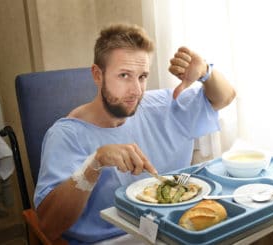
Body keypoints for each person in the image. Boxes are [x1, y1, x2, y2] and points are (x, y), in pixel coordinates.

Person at [34, 23, 236, 244]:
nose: (137, 91)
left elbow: (224, 97)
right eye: (124, 75)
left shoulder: (163, 106)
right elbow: (48, 225)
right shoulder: (66, 135)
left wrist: (206, 72)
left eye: (142, 76)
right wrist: (94, 164)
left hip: (171, 232)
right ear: (97, 75)